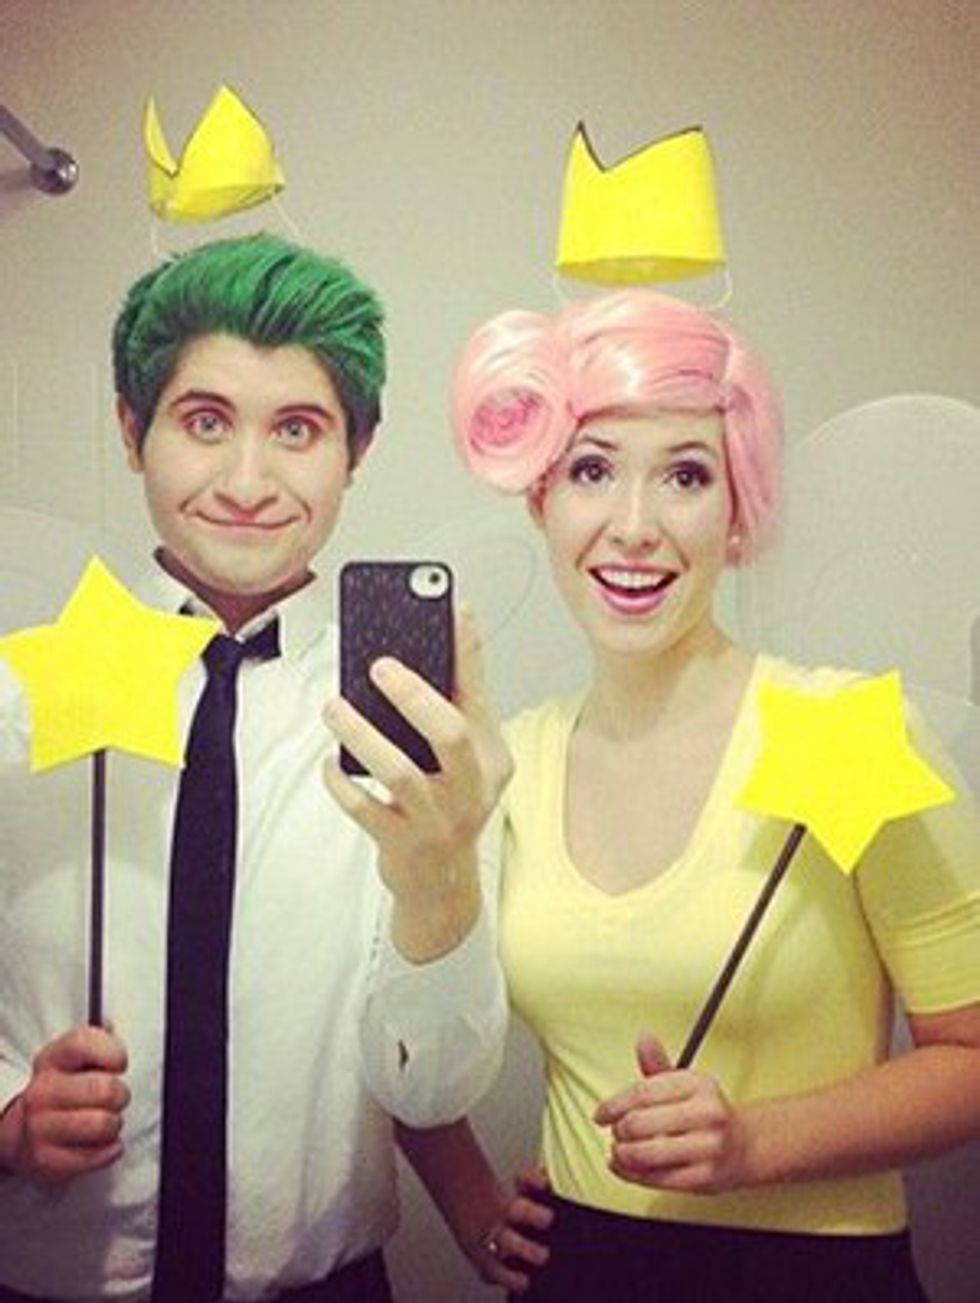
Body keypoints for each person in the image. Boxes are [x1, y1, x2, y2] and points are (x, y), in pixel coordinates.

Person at [400, 288, 980, 1301]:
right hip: (580, 1273)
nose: (633, 527)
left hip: (817, 1279)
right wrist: (467, 1198)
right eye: (591, 470)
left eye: (685, 474)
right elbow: (402, 1019)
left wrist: (755, 1140)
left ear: (738, 507)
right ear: (541, 501)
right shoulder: (505, 766)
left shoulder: (852, 733)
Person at [0, 233, 510, 1302]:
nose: (246, 481)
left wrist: (444, 874)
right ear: (131, 430)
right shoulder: (13, 697)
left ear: (356, 450)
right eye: (204, 421)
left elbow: (430, 1086)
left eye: (298, 429)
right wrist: (3, 1115)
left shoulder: (412, 728)